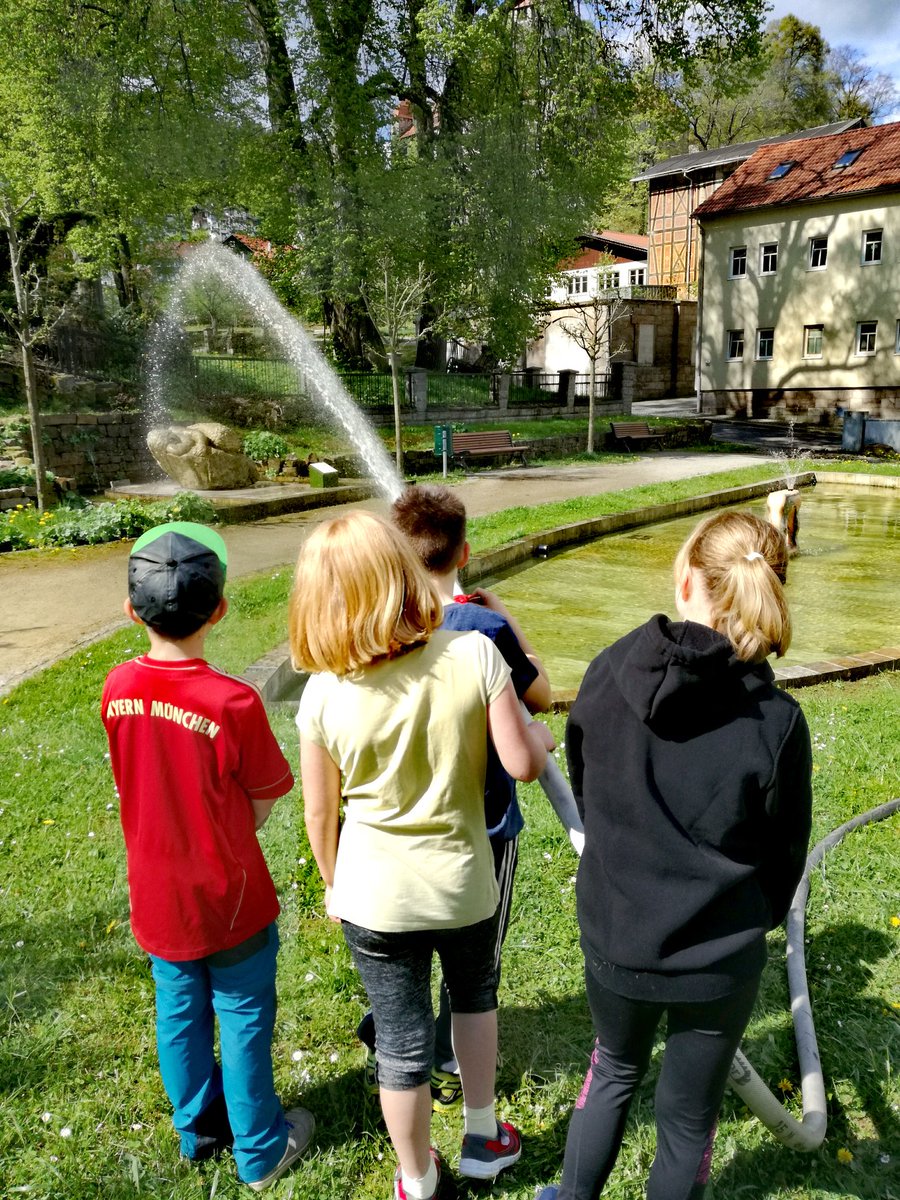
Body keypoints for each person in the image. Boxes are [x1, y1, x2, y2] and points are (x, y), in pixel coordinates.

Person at [538, 509, 813, 1200]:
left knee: (612, 1072)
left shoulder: (606, 670)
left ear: (686, 581)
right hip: (717, 961)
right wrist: (757, 918)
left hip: (616, 936)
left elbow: (585, 781)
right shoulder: (777, 724)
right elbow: (786, 853)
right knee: (688, 1121)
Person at [292, 510, 554, 1200]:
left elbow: (321, 811)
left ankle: (415, 1179)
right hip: (465, 885)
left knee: (402, 1047)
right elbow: (522, 764)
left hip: (372, 899)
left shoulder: (322, 694)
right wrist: (545, 741)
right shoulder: (473, 656)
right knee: (474, 997)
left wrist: (331, 879)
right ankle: (482, 1135)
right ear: (405, 576)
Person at [101, 521, 314, 1192]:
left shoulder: (116, 686)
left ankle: (198, 1130)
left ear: (132, 610)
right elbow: (262, 799)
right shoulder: (233, 701)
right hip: (231, 899)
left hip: (157, 895)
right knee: (244, 1019)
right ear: (219, 609)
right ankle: (259, 1150)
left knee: (178, 1011)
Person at [389, 483, 551, 1109]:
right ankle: (456, 1050)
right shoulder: (483, 627)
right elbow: (540, 695)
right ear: (465, 552)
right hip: (482, 821)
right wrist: (509, 617)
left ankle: (402, 1038)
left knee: (410, 941)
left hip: (404, 819)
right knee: (476, 951)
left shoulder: (380, 625)